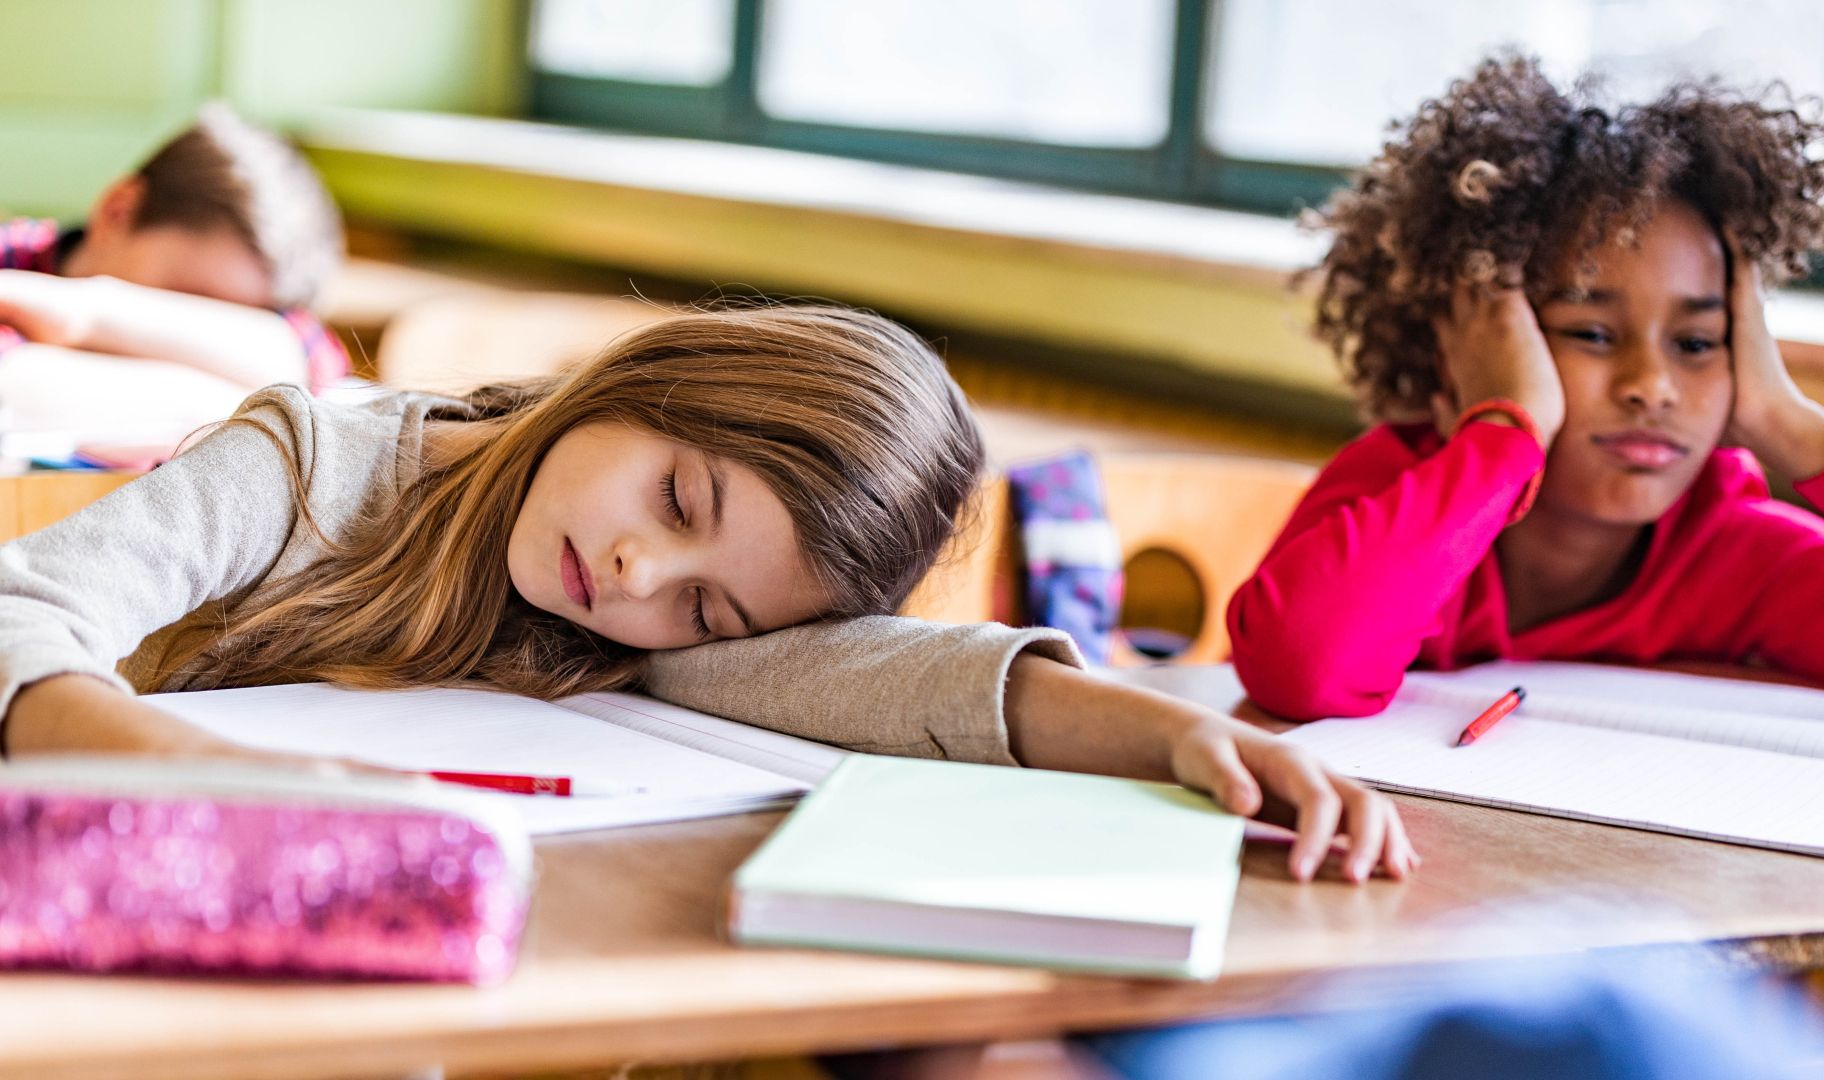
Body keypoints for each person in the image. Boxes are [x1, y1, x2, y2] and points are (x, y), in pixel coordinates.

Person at [0, 304, 1416, 883]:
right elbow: (26, 614)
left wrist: (1174, 736)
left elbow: (891, 679)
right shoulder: (310, 464)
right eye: (680, 499)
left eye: (709, 616)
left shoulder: (611, 636)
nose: (640, 577)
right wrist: (194, 769)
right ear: (655, 377)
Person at [1228, 55, 1824, 720]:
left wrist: (1792, 426)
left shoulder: (1733, 557)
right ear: (1468, 343)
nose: (1651, 386)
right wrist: (1507, 432)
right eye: (1590, 333)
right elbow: (1301, 670)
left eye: (1698, 344)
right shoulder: (1397, 492)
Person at [0, 103, 348, 436]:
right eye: (183, 299)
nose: (191, 329)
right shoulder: (13, 255)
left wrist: (84, 312)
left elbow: (311, 360)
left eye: (219, 319)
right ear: (117, 211)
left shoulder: (282, 328)